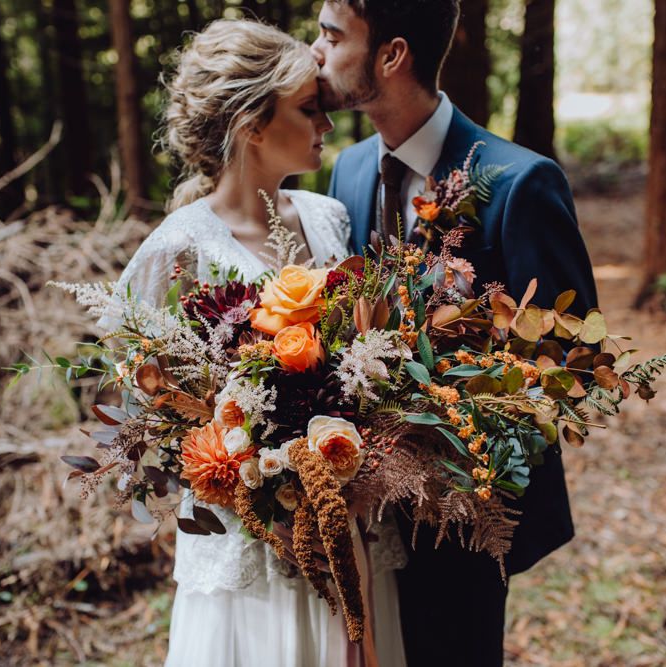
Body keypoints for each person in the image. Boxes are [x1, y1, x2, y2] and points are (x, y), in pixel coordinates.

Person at [98, 19, 408, 667]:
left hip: (341, 515)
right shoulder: (179, 247)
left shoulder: (328, 218)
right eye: (308, 109)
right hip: (250, 540)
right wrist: (229, 455)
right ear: (252, 125)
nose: (326, 125)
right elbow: (136, 393)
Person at [311, 1, 598, 665]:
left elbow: (574, 364)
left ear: (391, 55)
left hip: (463, 524)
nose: (316, 51)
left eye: (331, 34)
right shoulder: (347, 169)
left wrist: (450, 441)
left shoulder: (518, 182)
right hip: (359, 517)